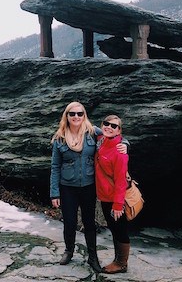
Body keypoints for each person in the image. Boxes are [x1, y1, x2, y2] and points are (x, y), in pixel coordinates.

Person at [50, 102, 128, 273]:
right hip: (67, 187)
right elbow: (55, 166)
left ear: (84, 115)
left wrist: (127, 144)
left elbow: (114, 136)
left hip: (88, 187)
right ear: (67, 116)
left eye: (80, 113)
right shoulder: (60, 138)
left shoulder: (92, 132)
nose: (76, 117)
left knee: (89, 223)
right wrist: (54, 192)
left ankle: (93, 257)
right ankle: (69, 251)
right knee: (69, 223)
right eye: (72, 114)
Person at [95, 114, 130, 274]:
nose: (109, 127)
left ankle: (122, 263)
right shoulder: (101, 140)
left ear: (119, 131)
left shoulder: (120, 151)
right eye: (106, 124)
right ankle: (117, 260)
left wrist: (118, 204)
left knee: (120, 229)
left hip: (114, 198)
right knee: (114, 228)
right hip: (104, 196)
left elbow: (121, 180)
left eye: (114, 126)